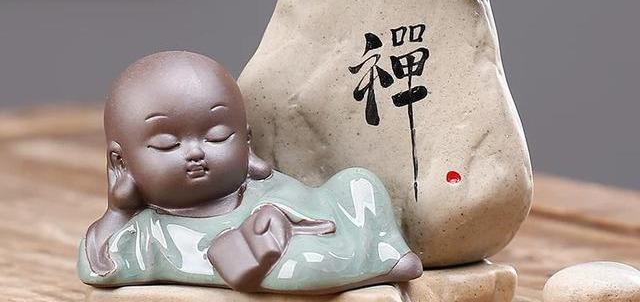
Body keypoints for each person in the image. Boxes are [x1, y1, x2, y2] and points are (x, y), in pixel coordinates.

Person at [78, 51, 422, 293]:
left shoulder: (259, 187)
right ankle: (370, 267)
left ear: (245, 139)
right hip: (297, 259)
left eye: (217, 136)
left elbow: (311, 203)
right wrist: (117, 212)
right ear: (121, 162)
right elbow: (97, 266)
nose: (196, 151)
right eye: (169, 144)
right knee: (303, 263)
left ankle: (388, 254)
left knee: (358, 182)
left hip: (330, 233)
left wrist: (285, 217)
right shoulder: (151, 232)